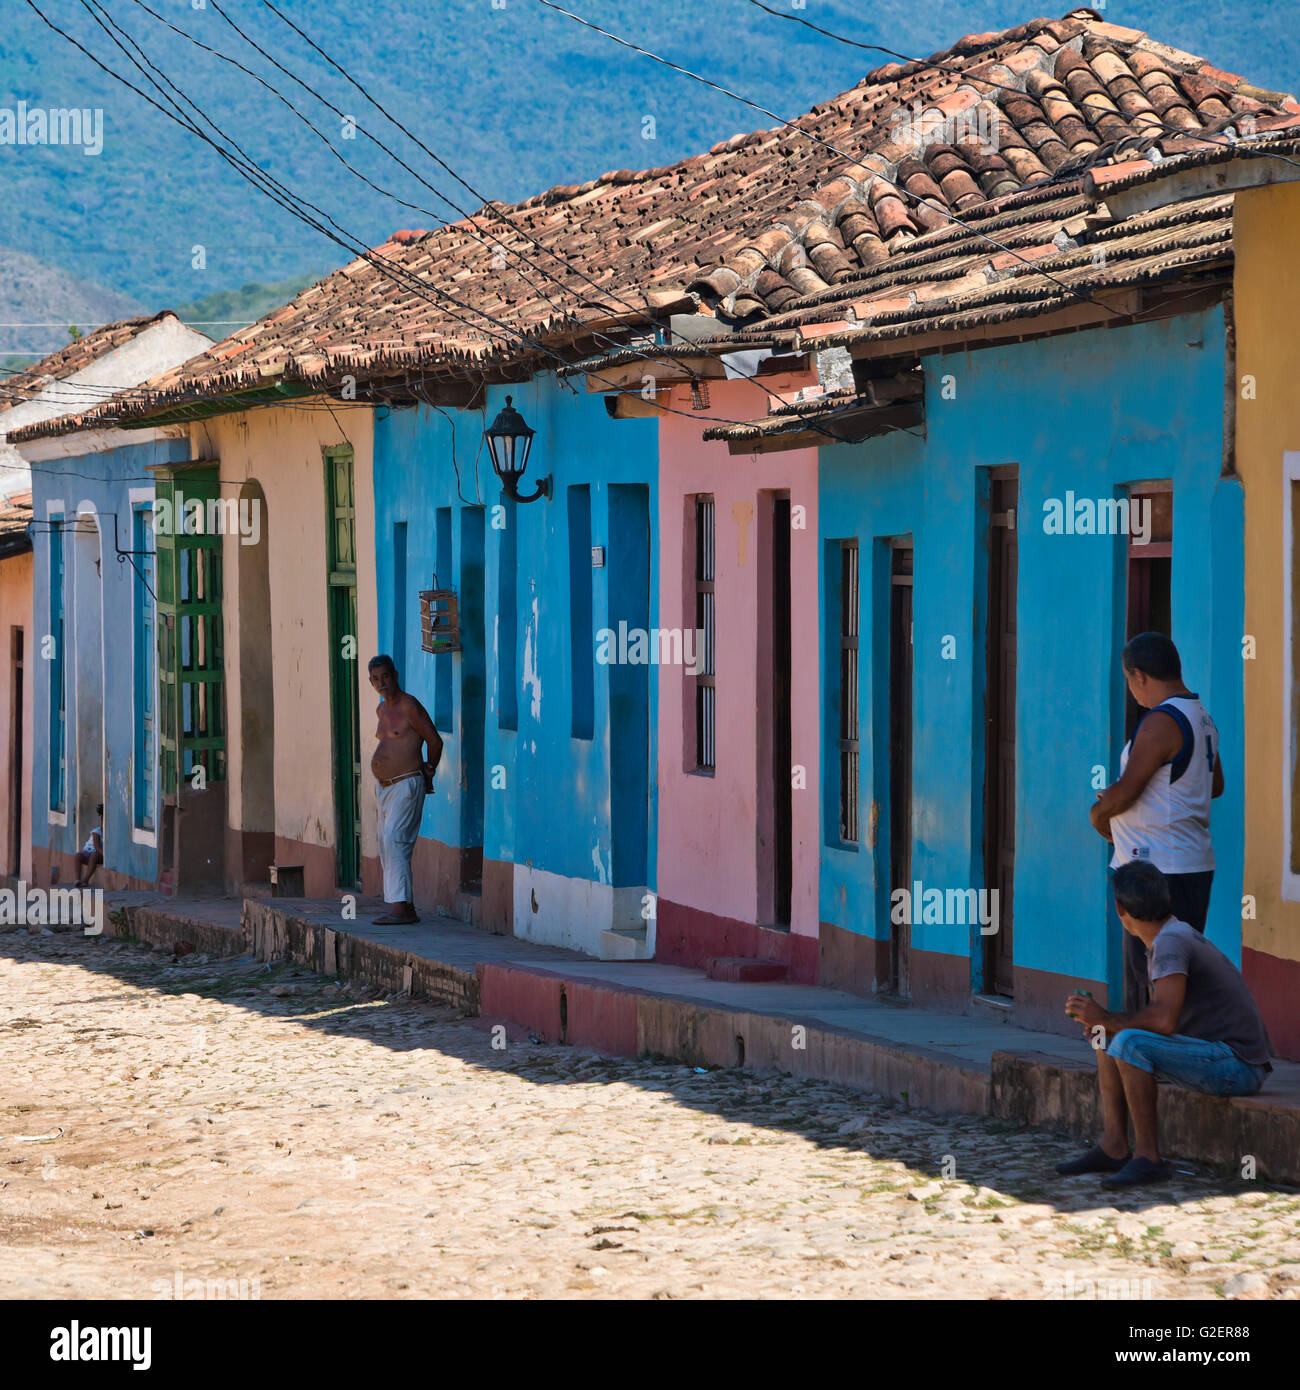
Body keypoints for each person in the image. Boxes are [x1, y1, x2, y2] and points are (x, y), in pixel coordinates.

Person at [1058, 861, 1272, 1189]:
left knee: (1128, 1042)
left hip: (1237, 1065)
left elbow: (1163, 1019)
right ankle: (1114, 1147)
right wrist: (1106, 1025)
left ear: (1119, 909)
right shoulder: (1168, 937)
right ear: (1168, 899)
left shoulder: (1170, 942)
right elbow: (1160, 1020)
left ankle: (1148, 1159)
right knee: (1106, 1038)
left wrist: (1104, 1017)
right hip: (1213, 1054)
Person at [1089, 632, 1222, 1000]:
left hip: (1158, 870)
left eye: (1129, 680)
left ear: (1140, 675)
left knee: (1153, 980)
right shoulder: (1202, 718)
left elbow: (1125, 792)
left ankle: (1151, 1056)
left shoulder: (1161, 722)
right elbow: (1213, 783)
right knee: (1179, 977)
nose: (1132, 690)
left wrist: (1099, 816)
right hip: (1191, 864)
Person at [368, 655, 442, 925]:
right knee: (386, 843)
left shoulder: (409, 706)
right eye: (375, 679)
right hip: (384, 787)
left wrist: (429, 770)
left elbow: (434, 740)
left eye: (385, 676)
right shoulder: (381, 710)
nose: (381, 683)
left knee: (395, 839)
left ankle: (400, 910)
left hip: (407, 782)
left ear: (396, 675)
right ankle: (405, 906)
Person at [76, 804, 103, 886]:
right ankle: (77, 879)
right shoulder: (97, 832)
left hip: (98, 855)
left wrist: (106, 856)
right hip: (90, 853)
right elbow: (96, 846)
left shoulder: (111, 834)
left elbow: (98, 849)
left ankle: (85, 880)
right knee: (78, 856)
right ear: (101, 822)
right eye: (102, 822)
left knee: (94, 856)